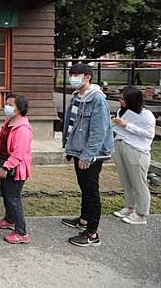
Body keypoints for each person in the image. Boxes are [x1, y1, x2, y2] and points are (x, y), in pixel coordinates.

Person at [61, 63, 113, 247]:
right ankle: (83, 219)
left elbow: (99, 131)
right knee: (84, 187)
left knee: (91, 191)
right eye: (71, 74)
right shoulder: (77, 96)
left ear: (87, 77)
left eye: (77, 75)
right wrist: (68, 147)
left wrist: (87, 155)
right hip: (77, 149)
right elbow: (71, 123)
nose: (73, 78)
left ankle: (92, 233)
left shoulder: (97, 99)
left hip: (91, 154)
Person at [0, 94, 33, 244]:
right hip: (5, 162)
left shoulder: (23, 129)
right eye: (6, 103)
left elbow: (19, 153)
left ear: (19, 108)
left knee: (13, 198)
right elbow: (7, 141)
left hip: (15, 169)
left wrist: (5, 167)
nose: (6, 107)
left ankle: (22, 232)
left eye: (10, 104)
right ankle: (10, 219)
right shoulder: (9, 121)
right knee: (6, 193)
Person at [111, 86, 156, 225]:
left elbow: (149, 134)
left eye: (123, 99)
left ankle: (142, 214)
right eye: (120, 98)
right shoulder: (121, 111)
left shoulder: (146, 114)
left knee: (139, 183)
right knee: (126, 181)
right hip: (120, 144)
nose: (121, 101)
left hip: (137, 150)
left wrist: (127, 125)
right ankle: (129, 207)